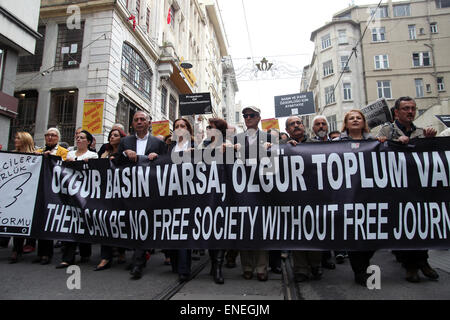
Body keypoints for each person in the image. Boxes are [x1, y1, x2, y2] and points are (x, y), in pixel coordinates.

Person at [377, 97, 439, 283]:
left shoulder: (420, 132)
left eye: (413, 108)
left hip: (417, 188)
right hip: (396, 188)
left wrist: (429, 141)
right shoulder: (386, 130)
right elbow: (378, 151)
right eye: (405, 109)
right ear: (396, 112)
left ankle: (423, 262)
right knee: (403, 226)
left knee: (421, 225)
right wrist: (392, 141)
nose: (410, 112)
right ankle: (411, 266)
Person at [118, 111, 166, 280]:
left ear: (148, 122)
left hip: (149, 191)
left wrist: (157, 158)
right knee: (133, 224)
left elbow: (166, 164)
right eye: (136, 119)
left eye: (142, 119)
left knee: (143, 223)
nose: (139, 122)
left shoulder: (157, 143)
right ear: (132, 123)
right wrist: (125, 154)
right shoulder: (125, 142)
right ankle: (138, 255)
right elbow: (116, 162)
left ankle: (138, 262)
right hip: (130, 190)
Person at [334, 110, 379, 285]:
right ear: (345, 123)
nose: (355, 120)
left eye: (358, 118)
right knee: (354, 234)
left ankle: (365, 263)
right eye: (351, 118)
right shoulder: (335, 143)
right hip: (348, 196)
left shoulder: (374, 141)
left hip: (370, 195)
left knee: (372, 235)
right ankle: (359, 271)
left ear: (363, 122)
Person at [282, 116, 322, 282]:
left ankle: (315, 265)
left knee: (315, 231)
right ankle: (300, 269)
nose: (296, 126)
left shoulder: (317, 144)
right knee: (297, 232)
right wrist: (285, 148)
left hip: (315, 197)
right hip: (293, 197)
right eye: (292, 124)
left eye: (298, 123)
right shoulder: (283, 147)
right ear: (287, 130)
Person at [233, 106, 271, 281]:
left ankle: (262, 267)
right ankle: (247, 266)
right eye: (245, 115)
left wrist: (278, 147)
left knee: (261, 228)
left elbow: (285, 156)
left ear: (259, 118)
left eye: (252, 115)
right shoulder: (236, 139)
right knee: (244, 227)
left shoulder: (270, 138)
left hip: (263, 191)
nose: (248, 118)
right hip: (242, 191)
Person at [56, 130, 98, 269]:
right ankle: (68, 257)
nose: (78, 140)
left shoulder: (93, 155)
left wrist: (90, 163)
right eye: (77, 138)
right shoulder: (70, 154)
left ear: (88, 141)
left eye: (82, 138)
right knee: (71, 224)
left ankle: (85, 252)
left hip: (85, 195)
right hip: (71, 195)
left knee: (84, 223)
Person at [95, 128, 127, 271]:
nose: (112, 137)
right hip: (105, 192)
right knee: (104, 220)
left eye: (116, 135)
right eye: (110, 135)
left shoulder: (126, 151)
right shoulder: (104, 152)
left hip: (121, 192)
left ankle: (121, 251)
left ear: (122, 138)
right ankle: (105, 256)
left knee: (119, 221)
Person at [35, 128, 69, 264]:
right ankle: (40, 252)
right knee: (40, 219)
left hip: (55, 190)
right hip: (39, 190)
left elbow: (65, 166)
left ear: (58, 138)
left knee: (48, 219)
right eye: (47, 135)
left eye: (53, 135)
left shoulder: (64, 152)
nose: (50, 137)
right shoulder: (38, 152)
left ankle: (47, 254)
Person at [167, 118, 195, 282]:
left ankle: (184, 269)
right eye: (176, 126)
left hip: (190, 194)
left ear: (188, 129)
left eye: (182, 126)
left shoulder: (197, 147)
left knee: (185, 231)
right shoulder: (168, 147)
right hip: (171, 194)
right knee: (174, 229)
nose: (179, 128)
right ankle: (176, 265)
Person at [8, 132, 36, 263]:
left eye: (18, 138)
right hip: (12, 192)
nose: (15, 140)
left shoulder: (35, 157)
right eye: (15, 138)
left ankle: (22, 247)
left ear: (25, 140)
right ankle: (16, 249)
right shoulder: (10, 155)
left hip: (28, 193)